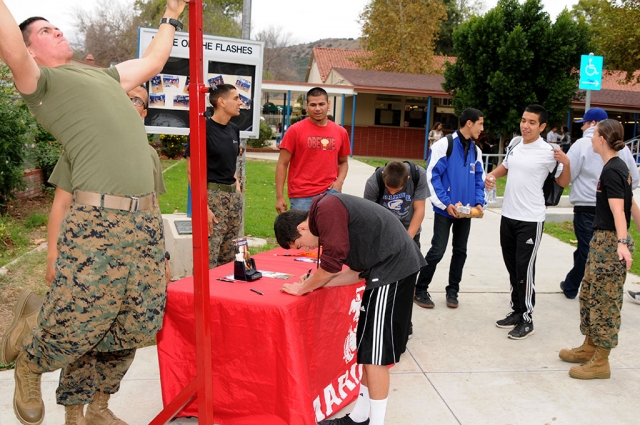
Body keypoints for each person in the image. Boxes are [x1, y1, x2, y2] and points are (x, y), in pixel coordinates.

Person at [0, 2, 186, 424]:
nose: (57, 31)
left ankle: (100, 406)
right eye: (45, 31)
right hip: (97, 221)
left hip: (143, 223)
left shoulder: (105, 76)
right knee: (79, 319)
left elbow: (155, 60)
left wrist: (171, 14)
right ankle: (29, 363)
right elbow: (10, 47)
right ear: (30, 51)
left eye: (55, 26)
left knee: (135, 324)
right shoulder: (41, 82)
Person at [274, 193, 425, 425]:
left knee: (375, 357)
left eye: (299, 245)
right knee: (367, 350)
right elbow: (354, 272)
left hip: (392, 270)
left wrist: (304, 288)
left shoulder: (326, 210)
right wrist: (314, 283)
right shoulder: (327, 212)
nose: (303, 249)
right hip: (383, 271)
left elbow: (331, 264)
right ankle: (359, 417)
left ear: (302, 228)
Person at [46, 84, 172, 286]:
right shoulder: (81, 146)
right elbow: (61, 204)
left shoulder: (150, 155)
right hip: (91, 256)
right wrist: (52, 255)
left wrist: (162, 256)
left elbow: (154, 209)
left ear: (144, 112)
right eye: (123, 96)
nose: (128, 103)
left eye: (136, 100)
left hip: (138, 257)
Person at [559, 119, 640, 380]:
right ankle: (589, 346)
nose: (590, 139)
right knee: (590, 294)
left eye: (594, 135)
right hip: (601, 239)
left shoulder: (613, 170)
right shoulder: (615, 167)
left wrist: (622, 243)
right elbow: (631, 205)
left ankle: (601, 361)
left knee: (605, 301)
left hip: (610, 243)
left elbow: (619, 210)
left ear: (602, 139)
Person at [485, 104, 571, 340]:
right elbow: (506, 166)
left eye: (532, 122)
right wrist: (491, 175)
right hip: (509, 215)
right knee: (512, 267)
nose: (526, 126)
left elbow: (563, 181)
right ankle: (516, 310)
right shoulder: (514, 144)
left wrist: (567, 162)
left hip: (531, 219)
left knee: (525, 269)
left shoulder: (549, 152)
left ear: (542, 126)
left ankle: (527, 318)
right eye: (524, 120)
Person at [560, 108, 639, 299]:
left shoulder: (584, 148)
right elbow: (633, 182)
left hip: (588, 207)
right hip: (607, 212)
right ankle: (580, 288)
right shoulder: (624, 154)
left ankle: (588, 291)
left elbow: (568, 178)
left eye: (585, 124)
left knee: (590, 252)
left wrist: (623, 243)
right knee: (590, 251)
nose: (584, 129)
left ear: (594, 125)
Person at [414, 108, 486, 309]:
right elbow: (432, 176)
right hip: (445, 210)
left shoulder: (476, 150)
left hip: (466, 212)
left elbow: (479, 179)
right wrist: (447, 203)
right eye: (480, 123)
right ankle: (420, 289)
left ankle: (453, 291)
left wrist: (479, 202)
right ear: (469, 123)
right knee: (437, 250)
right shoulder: (444, 145)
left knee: (460, 251)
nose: (482, 128)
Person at [184, 83, 243, 268]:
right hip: (213, 197)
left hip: (232, 198)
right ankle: (200, 297)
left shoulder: (234, 129)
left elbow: (231, 162)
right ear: (222, 102)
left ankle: (222, 296)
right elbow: (191, 170)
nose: (240, 102)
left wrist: (237, 187)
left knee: (229, 255)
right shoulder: (202, 129)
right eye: (236, 98)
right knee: (208, 256)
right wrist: (204, 207)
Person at [275, 87, 350, 213]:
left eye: (321, 104)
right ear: (307, 106)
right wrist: (279, 196)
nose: (318, 109)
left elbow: (343, 162)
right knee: (301, 232)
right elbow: (282, 164)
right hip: (301, 196)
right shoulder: (295, 130)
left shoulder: (340, 132)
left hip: (330, 194)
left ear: (328, 104)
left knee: (327, 232)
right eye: (313, 105)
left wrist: (339, 182)